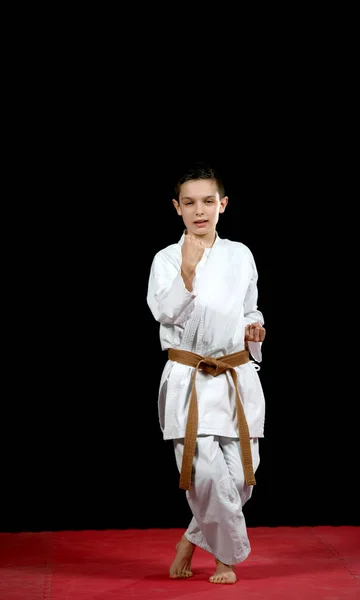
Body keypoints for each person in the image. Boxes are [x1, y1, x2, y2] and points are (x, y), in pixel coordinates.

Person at [146, 162, 266, 585]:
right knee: (206, 477)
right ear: (177, 208)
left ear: (223, 204)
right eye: (190, 203)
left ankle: (190, 539)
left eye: (209, 201)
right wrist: (189, 268)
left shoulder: (241, 254)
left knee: (241, 481)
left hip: (236, 375)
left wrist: (255, 331)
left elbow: (251, 306)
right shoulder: (166, 258)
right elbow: (163, 311)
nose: (200, 210)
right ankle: (226, 560)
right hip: (189, 378)